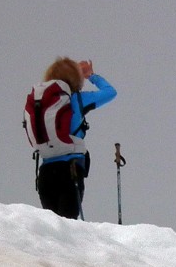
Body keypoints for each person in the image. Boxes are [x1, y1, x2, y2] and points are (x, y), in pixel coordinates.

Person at [23, 57, 117, 219]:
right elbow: (110, 92)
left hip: (45, 171)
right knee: (68, 225)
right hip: (70, 169)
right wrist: (91, 75)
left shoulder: (39, 102)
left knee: (53, 227)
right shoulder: (78, 100)